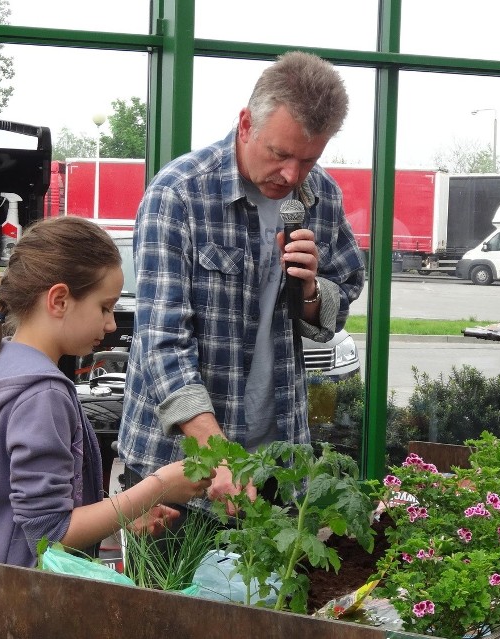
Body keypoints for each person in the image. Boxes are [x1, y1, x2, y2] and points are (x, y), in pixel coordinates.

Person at [119, 51, 365, 510]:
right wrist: (219, 455)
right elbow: (162, 342)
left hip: (277, 461)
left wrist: (311, 293)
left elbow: (344, 288)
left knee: (269, 584)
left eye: (308, 160)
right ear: (246, 123)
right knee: (169, 585)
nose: (292, 175)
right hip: (179, 468)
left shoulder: (322, 196)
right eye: (280, 154)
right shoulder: (179, 194)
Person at [0, 216, 212, 585]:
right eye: (105, 307)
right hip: (22, 602)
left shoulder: (1, 365)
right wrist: (158, 486)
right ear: (59, 300)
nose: (111, 325)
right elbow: (48, 534)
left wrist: (125, 513)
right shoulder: (43, 394)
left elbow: (31, 510)